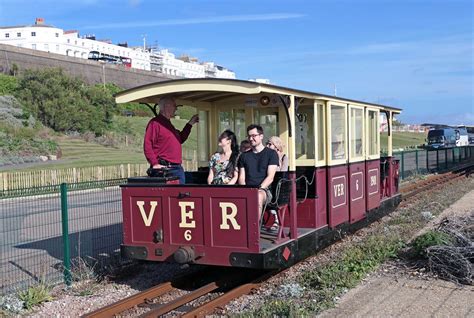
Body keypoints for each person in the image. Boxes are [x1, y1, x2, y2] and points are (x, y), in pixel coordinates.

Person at [143, 96, 199, 184]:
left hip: (175, 167)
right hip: (165, 169)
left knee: (180, 194)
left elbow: (180, 138)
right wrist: (154, 164)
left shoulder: (168, 124)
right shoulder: (155, 123)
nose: (176, 109)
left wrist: (190, 123)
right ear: (167, 106)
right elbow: (147, 144)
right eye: (174, 106)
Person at [238, 124, 279, 221]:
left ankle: (254, 227)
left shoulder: (271, 154)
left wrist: (258, 189)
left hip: (265, 190)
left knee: (258, 196)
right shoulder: (244, 156)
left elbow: (270, 177)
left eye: (254, 136)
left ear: (261, 136)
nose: (251, 139)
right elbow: (241, 178)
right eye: (249, 136)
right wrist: (245, 190)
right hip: (247, 189)